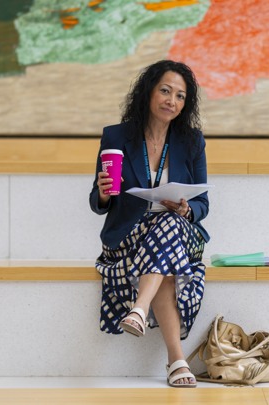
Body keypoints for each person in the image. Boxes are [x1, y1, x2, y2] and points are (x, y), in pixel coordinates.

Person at [89, 60, 210, 388]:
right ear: (149, 92)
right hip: (129, 235)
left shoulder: (191, 141)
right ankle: (176, 360)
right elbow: (97, 202)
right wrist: (103, 194)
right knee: (164, 261)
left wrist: (187, 209)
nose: (173, 100)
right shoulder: (116, 136)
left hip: (178, 231)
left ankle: (139, 309)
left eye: (181, 96)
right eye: (166, 91)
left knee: (168, 223)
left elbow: (203, 204)